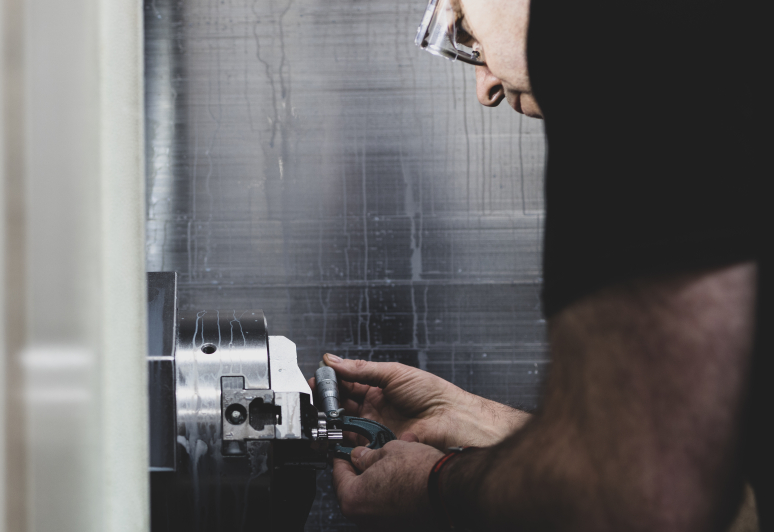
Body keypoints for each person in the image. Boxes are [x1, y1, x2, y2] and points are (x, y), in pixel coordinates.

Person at [318, 0, 767, 529]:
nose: (483, 87)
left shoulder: (636, 54)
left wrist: (436, 483)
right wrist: (470, 420)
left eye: (464, 22)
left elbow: (644, 496)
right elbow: (723, 482)